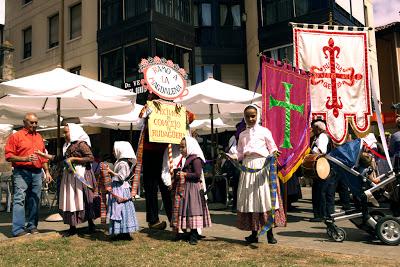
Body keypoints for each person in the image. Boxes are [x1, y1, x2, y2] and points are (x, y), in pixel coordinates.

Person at [230, 104, 281, 244]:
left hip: (262, 167)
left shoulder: (265, 131)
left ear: (257, 115)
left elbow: (273, 148)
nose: (250, 118)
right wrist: (232, 157)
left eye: (253, 115)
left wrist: (274, 154)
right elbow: (240, 153)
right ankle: (254, 234)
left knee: (264, 199)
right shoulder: (242, 134)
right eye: (247, 116)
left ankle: (270, 234)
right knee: (252, 200)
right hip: (247, 167)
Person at [36, 123, 98, 236]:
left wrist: (74, 158)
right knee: (71, 200)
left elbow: (90, 158)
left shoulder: (81, 144)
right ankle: (72, 227)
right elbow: (59, 158)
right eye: (64, 132)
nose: (64, 134)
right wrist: (43, 155)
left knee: (84, 199)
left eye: (66, 132)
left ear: (73, 132)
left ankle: (91, 225)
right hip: (69, 176)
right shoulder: (67, 145)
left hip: (81, 175)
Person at [5, 113, 53, 237]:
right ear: (24, 122)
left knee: (35, 200)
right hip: (21, 172)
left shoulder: (39, 137)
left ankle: (32, 226)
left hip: (37, 172)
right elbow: (9, 156)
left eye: (36, 122)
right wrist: (25, 158)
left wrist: (47, 171)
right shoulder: (16, 136)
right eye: (32, 122)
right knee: (19, 199)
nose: (35, 125)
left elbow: (43, 157)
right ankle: (18, 229)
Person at [171, 136, 212, 245]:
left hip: (193, 189)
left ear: (190, 146)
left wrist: (185, 174)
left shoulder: (195, 159)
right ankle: (191, 232)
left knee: (193, 209)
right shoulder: (188, 159)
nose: (181, 150)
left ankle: (194, 234)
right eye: (180, 147)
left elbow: (197, 175)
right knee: (188, 209)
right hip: (187, 188)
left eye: (183, 147)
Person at [106, 141, 139, 240]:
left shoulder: (123, 164)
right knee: (117, 210)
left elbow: (121, 177)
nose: (113, 152)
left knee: (121, 210)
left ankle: (124, 232)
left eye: (114, 150)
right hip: (117, 188)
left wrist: (110, 172)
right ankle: (119, 232)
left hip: (121, 189)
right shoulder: (119, 162)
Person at [310, 120, 335, 222]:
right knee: (323, 191)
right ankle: (326, 214)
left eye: (313, 128)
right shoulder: (322, 136)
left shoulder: (322, 137)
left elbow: (321, 151)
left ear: (318, 128)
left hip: (323, 168)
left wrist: (310, 151)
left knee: (320, 192)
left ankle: (321, 215)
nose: (312, 130)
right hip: (324, 168)